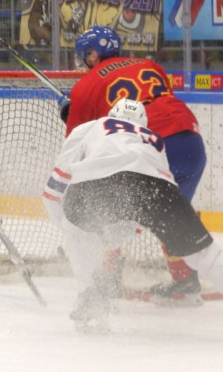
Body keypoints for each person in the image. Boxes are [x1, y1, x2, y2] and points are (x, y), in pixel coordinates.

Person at [43, 99, 223, 332]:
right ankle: (94, 293)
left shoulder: (93, 125)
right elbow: (143, 209)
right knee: (203, 253)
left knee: (76, 229)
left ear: (112, 113)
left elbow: (57, 183)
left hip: (97, 181)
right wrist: (115, 236)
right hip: (157, 188)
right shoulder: (154, 140)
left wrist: (65, 223)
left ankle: (92, 294)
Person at [62, 26, 206, 305]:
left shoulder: (85, 86)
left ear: (92, 54)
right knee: (170, 217)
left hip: (150, 148)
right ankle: (186, 284)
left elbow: (76, 145)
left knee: (106, 209)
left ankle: (106, 281)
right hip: (191, 141)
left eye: (83, 56)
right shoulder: (149, 64)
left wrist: (68, 112)